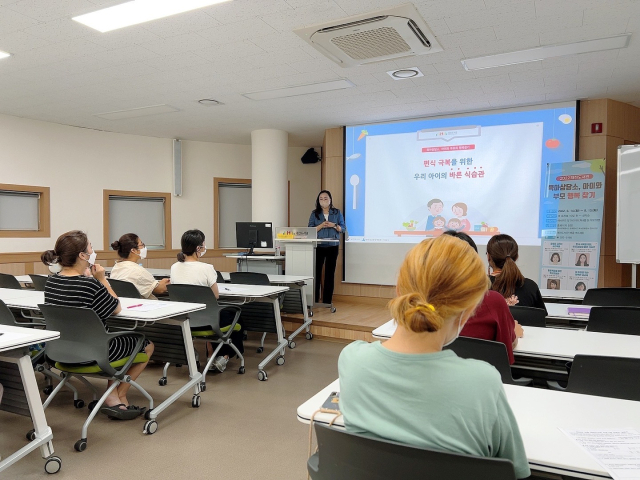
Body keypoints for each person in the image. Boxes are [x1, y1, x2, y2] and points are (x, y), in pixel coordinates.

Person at [338, 235, 530, 479]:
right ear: (470, 308)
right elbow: (515, 471)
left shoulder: (351, 360)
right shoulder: (482, 382)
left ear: (398, 291)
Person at [41, 230, 153, 420]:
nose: (94, 251)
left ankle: (112, 396)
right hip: (94, 353)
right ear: (83, 256)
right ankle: (118, 396)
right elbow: (116, 308)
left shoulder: (51, 282)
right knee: (146, 345)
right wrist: (101, 279)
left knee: (114, 339)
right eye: (91, 247)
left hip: (61, 352)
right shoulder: (91, 285)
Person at [443, 230, 523, 364]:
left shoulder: (423, 302)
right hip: (482, 379)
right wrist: (513, 331)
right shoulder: (492, 301)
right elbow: (506, 351)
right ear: (474, 261)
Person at [170, 229, 243, 372]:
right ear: (198, 248)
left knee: (213, 314)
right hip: (206, 319)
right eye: (203, 244)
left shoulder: (174, 267)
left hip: (184, 318)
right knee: (234, 316)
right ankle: (223, 357)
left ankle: (210, 354)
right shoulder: (207, 268)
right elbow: (215, 295)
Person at [487, 234, 547, 314]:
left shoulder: (479, 286)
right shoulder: (531, 286)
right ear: (516, 257)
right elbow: (541, 318)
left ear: (489, 257)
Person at [308, 191, 345, 304]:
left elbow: (343, 228)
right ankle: (314, 299)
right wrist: (321, 226)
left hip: (333, 246)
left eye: (325, 198)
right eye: (321, 198)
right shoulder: (314, 213)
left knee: (330, 273)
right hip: (318, 246)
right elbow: (310, 230)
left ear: (330, 200)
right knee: (316, 273)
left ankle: (327, 301)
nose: (323, 200)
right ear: (318, 201)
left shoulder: (337, 212)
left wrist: (334, 225)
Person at [110, 233, 170, 299]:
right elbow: (159, 289)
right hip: (146, 306)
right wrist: (166, 282)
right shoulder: (138, 271)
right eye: (141, 245)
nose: (144, 247)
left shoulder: (116, 267)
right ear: (133, 250)